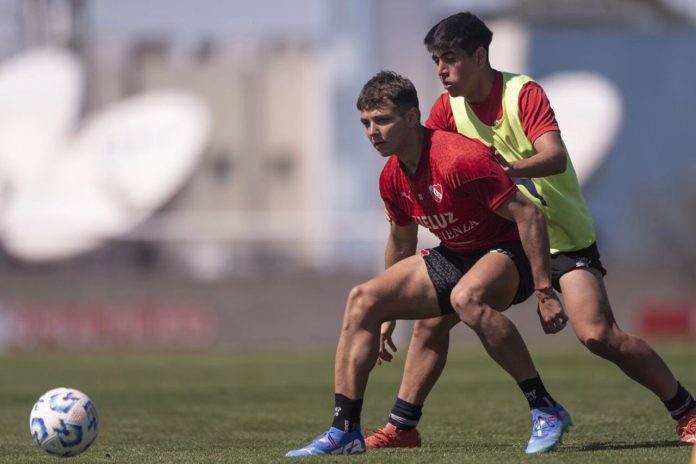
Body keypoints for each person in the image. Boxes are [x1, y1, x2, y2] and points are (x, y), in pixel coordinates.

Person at [365, 11, 696, 450]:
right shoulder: (447, 109)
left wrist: (502, 167)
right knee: (432, 320)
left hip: (560, 235)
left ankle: (687, 411)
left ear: (479, 55)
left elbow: (555, 156)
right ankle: (402, 427)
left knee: (599, 335)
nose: (441, 70)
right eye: (435, 60)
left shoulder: (522, 94)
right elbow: (431, 166)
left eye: (450, 58)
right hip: (501, 241)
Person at [286, 70, 572, 457]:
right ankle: (345, 431)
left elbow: (529, 216)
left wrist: (544, 292)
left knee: (465, 299)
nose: (373, 131)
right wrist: (387, 313)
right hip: (457, 253)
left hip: (510, 251)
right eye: (366, 123)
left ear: (411, 117)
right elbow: (402, 242)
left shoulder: (460, 158)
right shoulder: (391, 177)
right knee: (363, 299)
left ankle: (545, 408)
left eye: (382, 120)